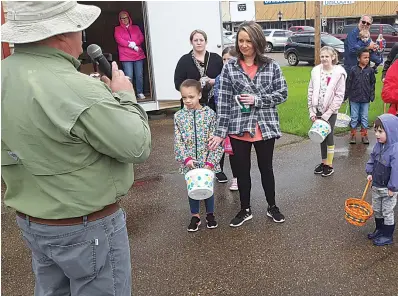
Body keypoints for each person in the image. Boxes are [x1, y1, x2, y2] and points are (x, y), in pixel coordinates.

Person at [1, 2, 152, 295]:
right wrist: (125, 97)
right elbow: (137, 147)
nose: (82, 36)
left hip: (34, 223)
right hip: (87, 227)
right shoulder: (80, 89)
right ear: (59, 34)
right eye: (78, 27)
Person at [208, 21, 288, 227]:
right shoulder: (230, 68)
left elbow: (282, 94)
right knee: (241, 173)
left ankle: (272, 206)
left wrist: (257, 100)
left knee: (266, 169)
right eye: (240, 40)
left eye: (248, 41)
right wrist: (219, 132)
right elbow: (223, 101)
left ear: (257, 41)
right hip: (238, 128)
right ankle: (245, 209)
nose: (243, 45)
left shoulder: (271, 66)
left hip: (264, 126)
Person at [174, 29, 226, 182]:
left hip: (212, 103)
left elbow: (224, 78)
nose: (198, 42)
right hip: (192, 104)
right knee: (193, 136)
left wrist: (213, 81)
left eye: (201, 40)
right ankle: (193, 165)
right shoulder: (184, 60)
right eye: (195, 40)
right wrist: (194, 88)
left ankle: (217, 168)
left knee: (213, 137)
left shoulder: (215, 59)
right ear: (191, 42)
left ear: (206, 41)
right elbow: (178, 83)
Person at [174, 79, 224, 232]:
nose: (188, 101)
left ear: (199, 95)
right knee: (193, 189)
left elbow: (216, 141)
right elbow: (178, 140)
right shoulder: (179, 116)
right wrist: (186, 158)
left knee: (207, 188)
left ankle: (210, 214)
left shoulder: (210, 115)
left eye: (191, 97)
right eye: (184, 97)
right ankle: (195, 216)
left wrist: (211, 162)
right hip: (190, 163)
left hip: (207, 160)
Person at [307, 46, 347, 177]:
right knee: (320, 136)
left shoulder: (338, 73)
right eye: (322, 56)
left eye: (327, 56)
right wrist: (312, 111)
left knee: (328, 136)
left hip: (330, 112)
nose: (324, 59)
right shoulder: (316, 72)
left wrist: (327, 114)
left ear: (333, 57)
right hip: (317, 110)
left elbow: (339, 96)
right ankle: (323, 162)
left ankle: (329, 165)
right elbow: (311, 91)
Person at [366, 114, 398, 246]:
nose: (377, 135)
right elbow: (372, 159)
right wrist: (369, 171)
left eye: (380, 131)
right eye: (375, 131)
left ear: (390, 131)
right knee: (377, 210)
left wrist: (393, 187)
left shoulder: (395, 150)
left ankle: (387, 235)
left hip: (388, 189)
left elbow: (396, 171)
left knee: (387, 212)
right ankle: (379, 229)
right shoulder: (378, 146)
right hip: (376, 186)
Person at [214, 46, 239, 191]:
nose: (226, 62)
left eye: (229, 59)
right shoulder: (219, 78)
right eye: (224, 59)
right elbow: (219, 100)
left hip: (235, 121)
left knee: (234, 152)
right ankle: (218, 170)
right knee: (221, 149)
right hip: (223, 120)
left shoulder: (239, 76)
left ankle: (236, 178)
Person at [114, 10, 147, 99]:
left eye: (126, 17)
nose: (124, 20)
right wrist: (130, 45)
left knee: (139, 75)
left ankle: (140, 92)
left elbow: (141, 38)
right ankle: (130, 94)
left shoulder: (136, 28)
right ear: (120, 20)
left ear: (129, 18)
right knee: (129, 76)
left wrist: (134, 43)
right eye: (122, 18)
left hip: (138, 55)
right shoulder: (117, 29)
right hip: (126, 56)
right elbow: (119, 39)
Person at [346, 49, 376, 144]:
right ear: (359, 58)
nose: (367, 59)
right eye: (365, 57)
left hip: (365, 98)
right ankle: (353, 135)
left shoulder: (370, 71)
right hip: (354, 98)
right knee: (354, 117)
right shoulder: (353, 70)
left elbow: (372, 84)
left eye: (368, 57)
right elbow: (349, 83)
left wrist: (372, 95)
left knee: (364, 117)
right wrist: (346, 96)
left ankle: (364, 135)